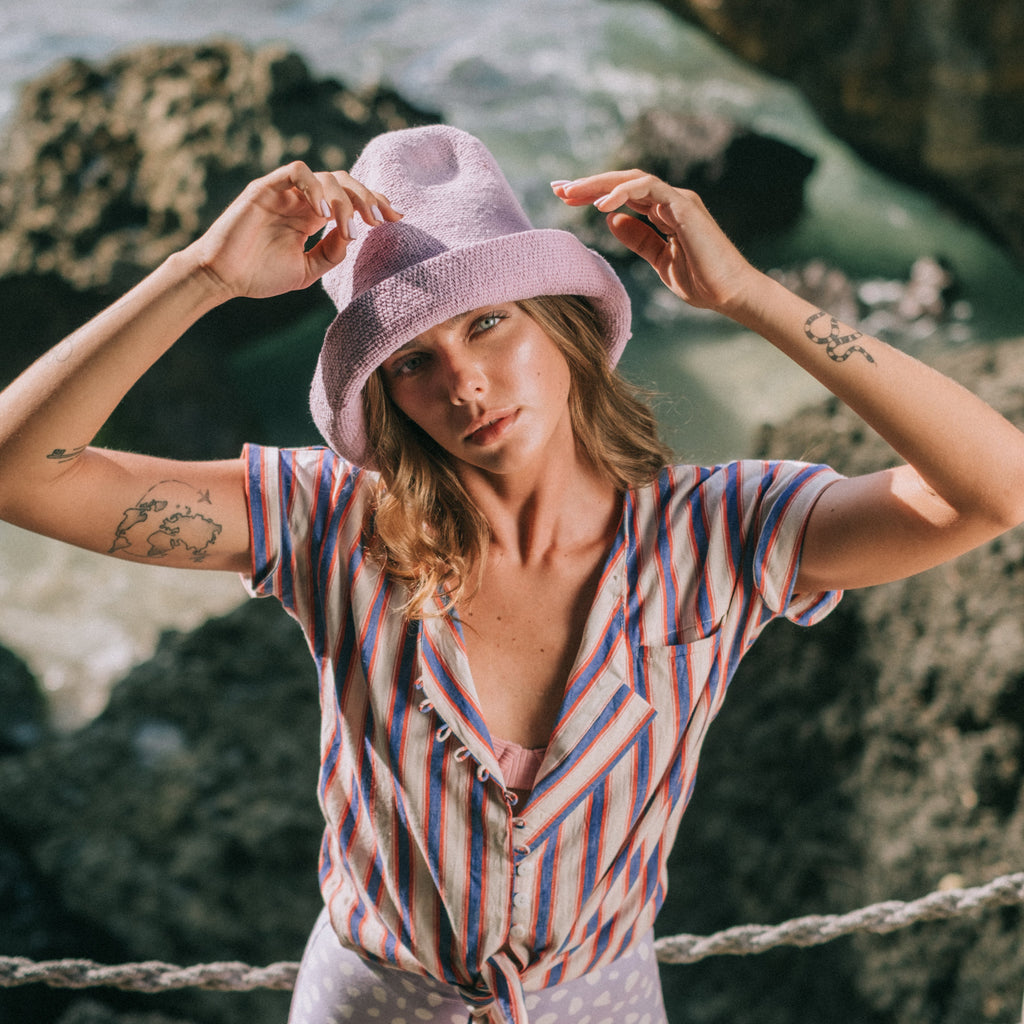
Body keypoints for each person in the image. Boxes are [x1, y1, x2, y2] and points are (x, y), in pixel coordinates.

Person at [1, 124, 1022, 1024]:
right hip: (370, 1007)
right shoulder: (329, 522)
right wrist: (205, 274)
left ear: (565, 330)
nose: (463, 382)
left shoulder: (720, 531)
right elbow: (22, 471)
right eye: (412, 360)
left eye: (488, 323)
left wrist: (749, 295)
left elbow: (993, 489)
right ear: (386, 395)